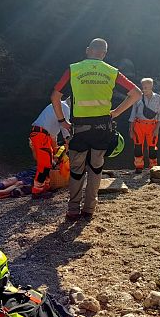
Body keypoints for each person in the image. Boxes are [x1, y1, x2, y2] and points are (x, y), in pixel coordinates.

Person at [51, 38, 142, 219]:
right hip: (102, 128)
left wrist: (62, 121)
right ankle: (89, 209)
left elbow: (55, 96)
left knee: (77, 169)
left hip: (80, 128)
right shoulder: (111, 71)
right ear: (104, 54)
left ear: (87, 50)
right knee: (96, 168)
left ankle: (73, 208)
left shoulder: (73, 69)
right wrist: (115, 112)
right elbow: (136, 93)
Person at [30, 99, 71, 198]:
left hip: (41, 134)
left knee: (49, 162)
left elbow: (52, 131)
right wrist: (68, 141)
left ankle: (44, 186)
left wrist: (56, 148)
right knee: (45, 165)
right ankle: (37, 191)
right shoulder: (64, 107)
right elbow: (64, 127)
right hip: (41, 135)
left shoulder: (58, 105)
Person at [128, 78, 160, 173]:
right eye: (143, 87)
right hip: (138, 125)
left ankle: (153, 167)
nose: (144, 89)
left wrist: (157, 129)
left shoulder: (158, 98)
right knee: (138, 146)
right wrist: (131, 129)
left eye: (146, 87)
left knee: (152, 147)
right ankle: (139, 167)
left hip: (152, 126)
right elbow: (133, 114)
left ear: (151, 86)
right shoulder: (138, 98)